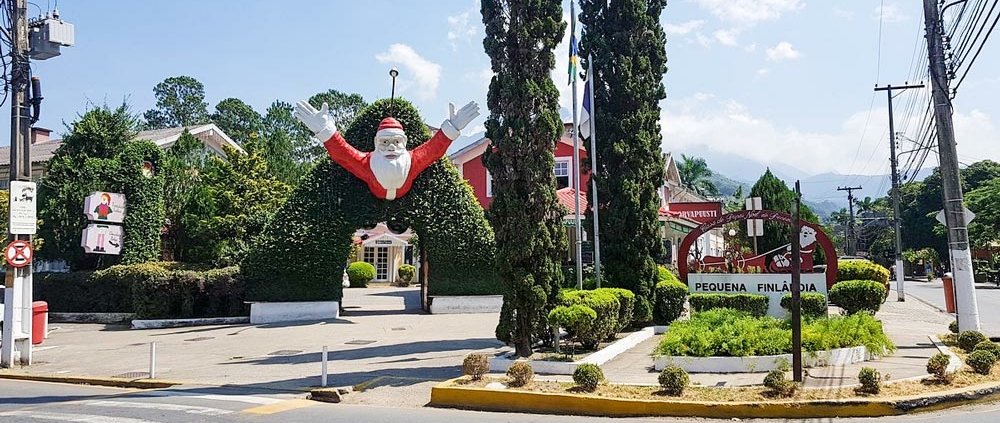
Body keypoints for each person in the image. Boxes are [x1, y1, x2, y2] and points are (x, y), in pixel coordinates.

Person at [294, 100, 479, 200]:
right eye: (384, 142)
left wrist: (453, 126)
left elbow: (434, 149)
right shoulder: (367, 163)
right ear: (375, 143)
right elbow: (342, 154)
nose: (391, 147)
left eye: (396, 142)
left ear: (405, 142)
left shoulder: (412, 160)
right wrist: (324, 130)